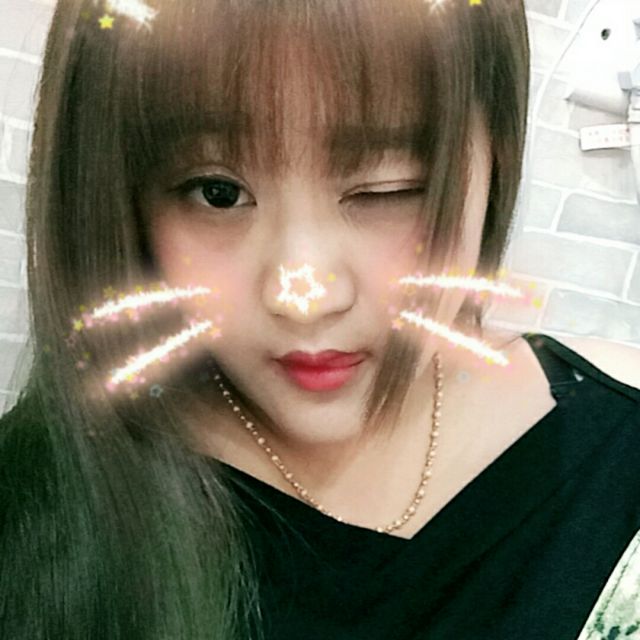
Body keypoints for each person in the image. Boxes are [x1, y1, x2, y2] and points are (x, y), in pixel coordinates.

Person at [1, 0, 639, 638]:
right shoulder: (34, 496)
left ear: (494, 162)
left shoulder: (620, 443)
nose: (303, 299)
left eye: (388, 188)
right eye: (217, 193)